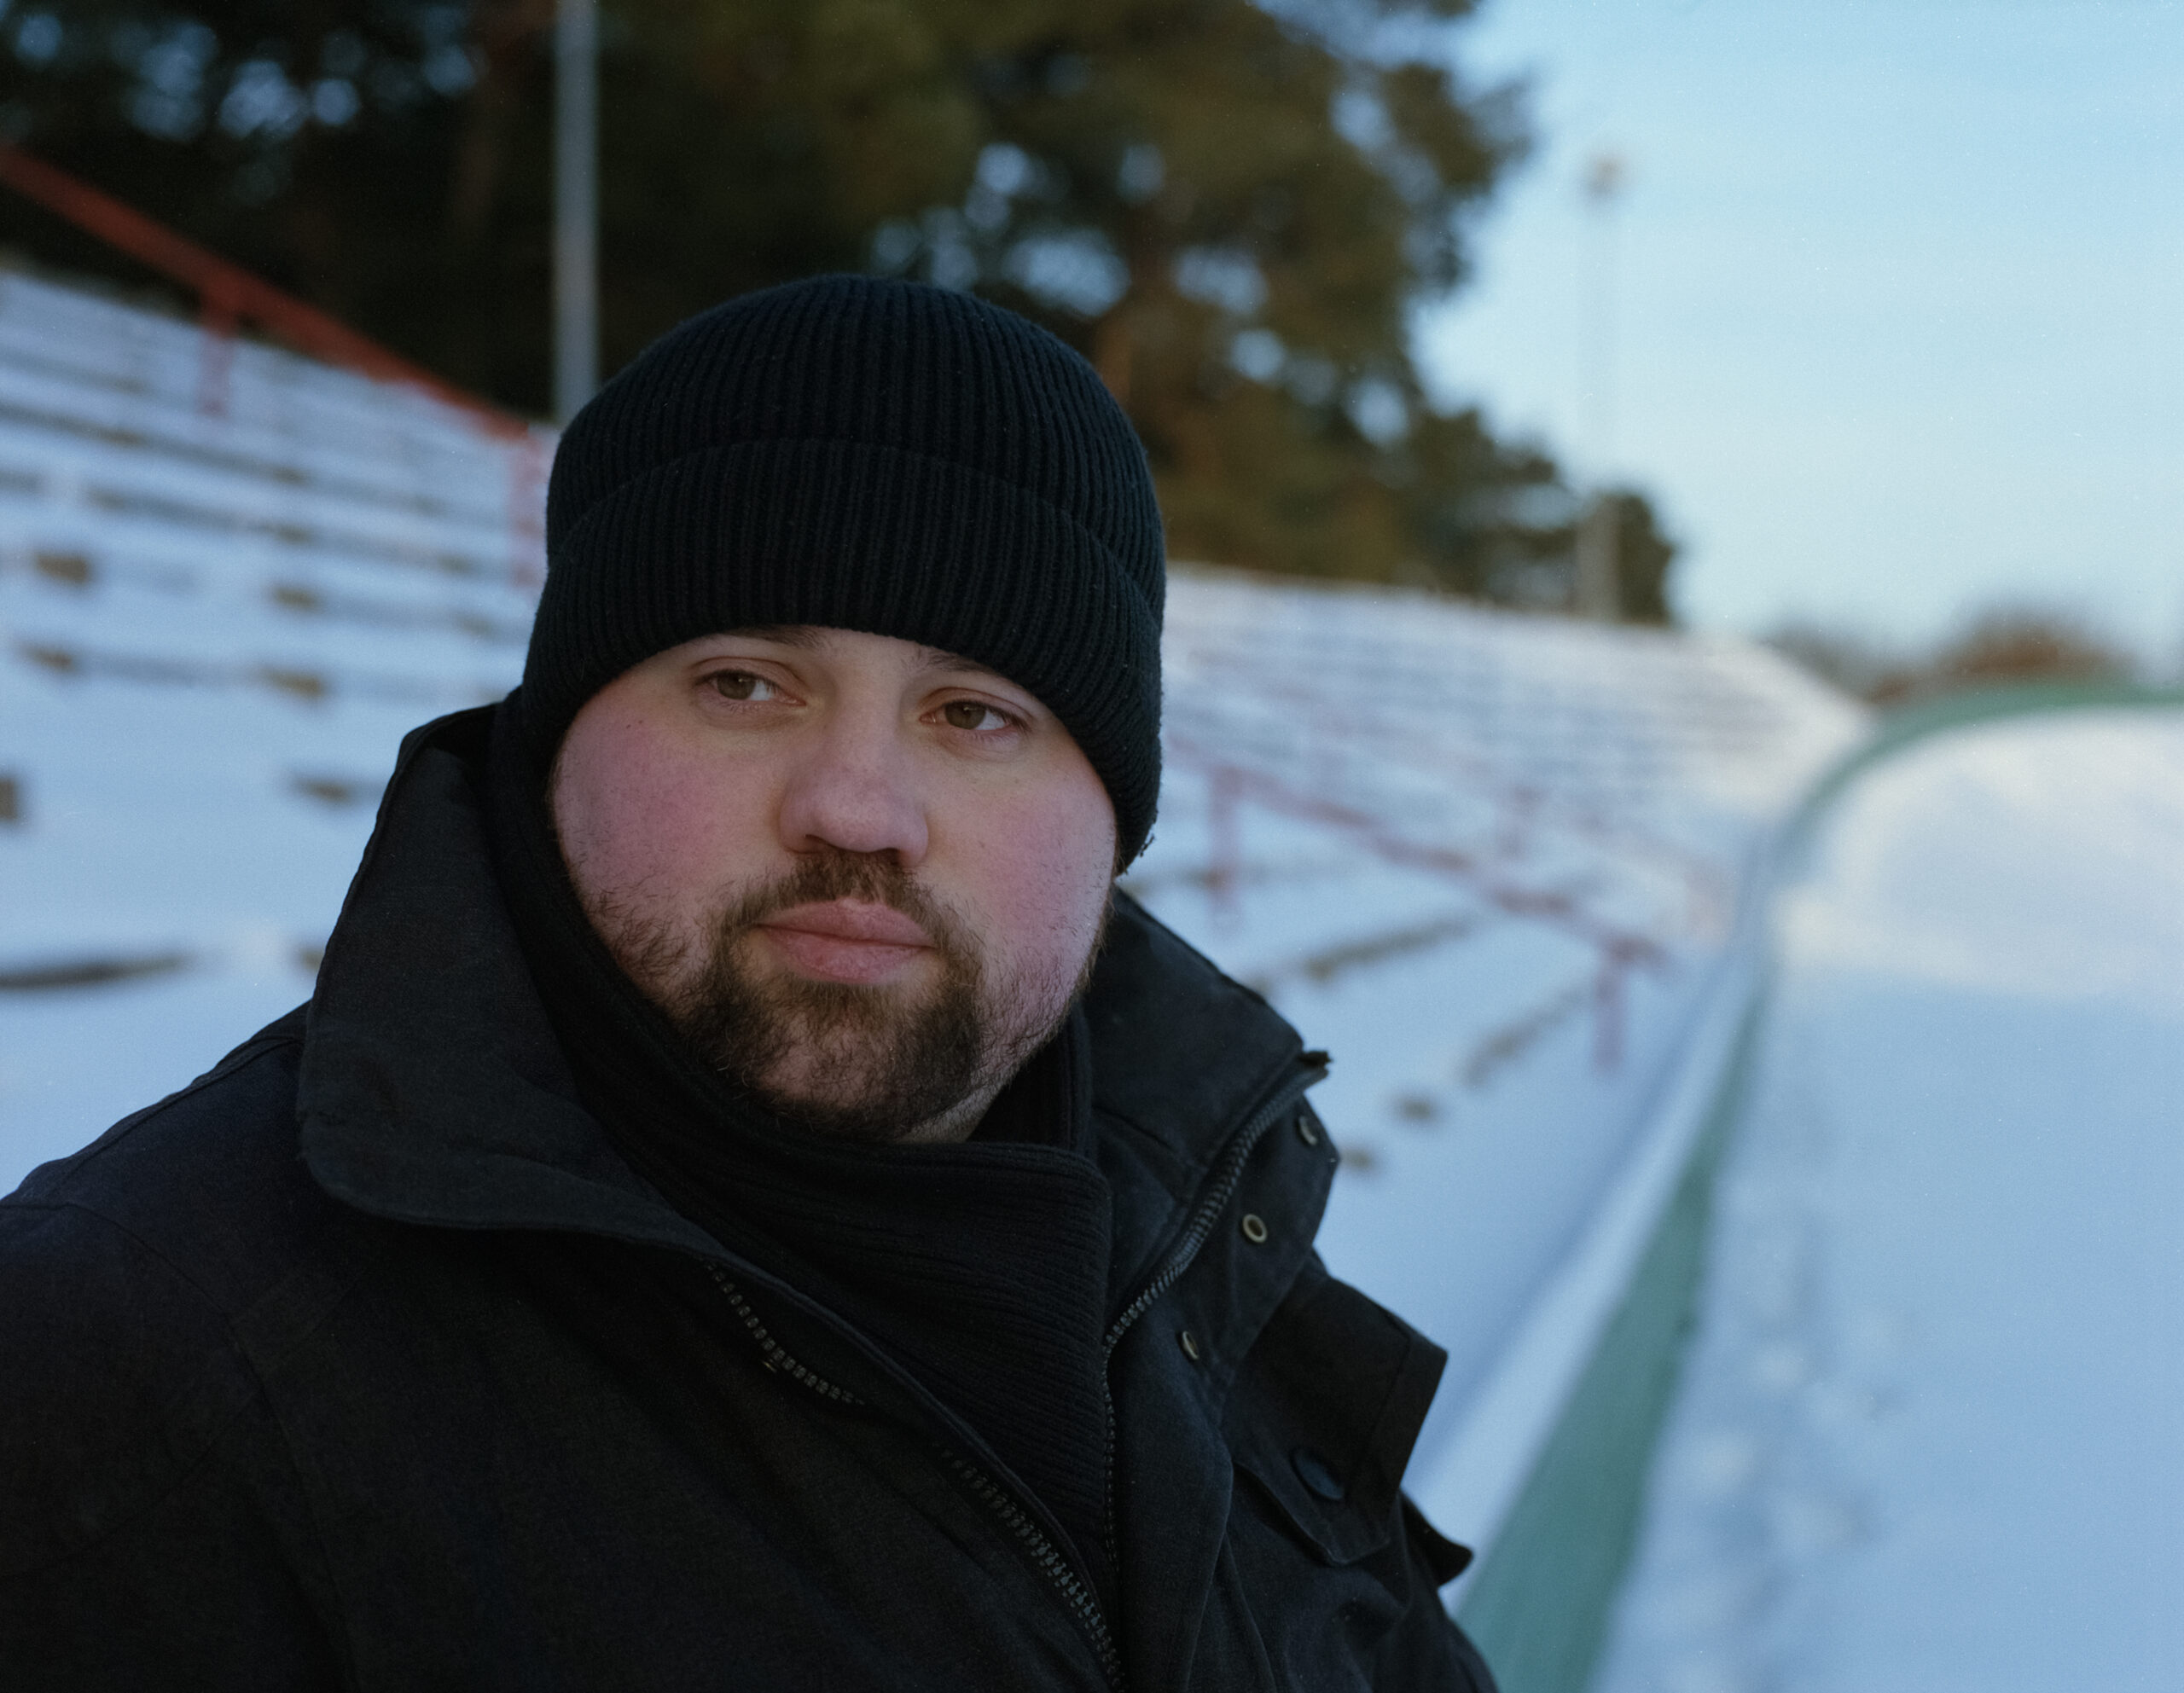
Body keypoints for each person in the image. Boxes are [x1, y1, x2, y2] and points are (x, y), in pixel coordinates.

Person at [0, 276, 1497, 1690]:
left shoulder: (1202, 1228)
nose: (858, 806)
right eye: (744, 684)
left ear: (1116, 818)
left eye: (974, 713)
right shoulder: (142, 1363)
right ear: (555, 741)